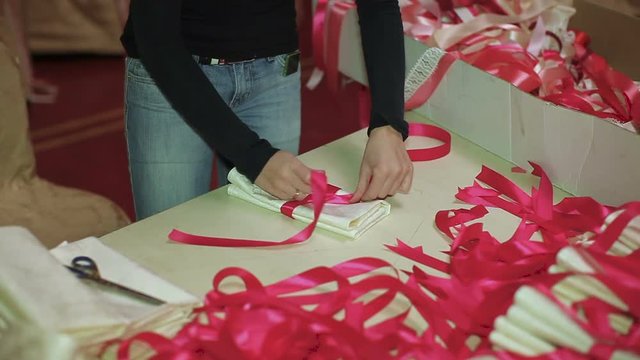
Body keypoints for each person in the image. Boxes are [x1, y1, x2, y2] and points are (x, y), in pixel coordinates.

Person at [121, 0, 413, 220]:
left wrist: (387, 126)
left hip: (272, 74)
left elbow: (379, 8)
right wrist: (254, 156)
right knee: (168, 242)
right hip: (170, 75)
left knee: (266, 239)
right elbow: (157, 36)